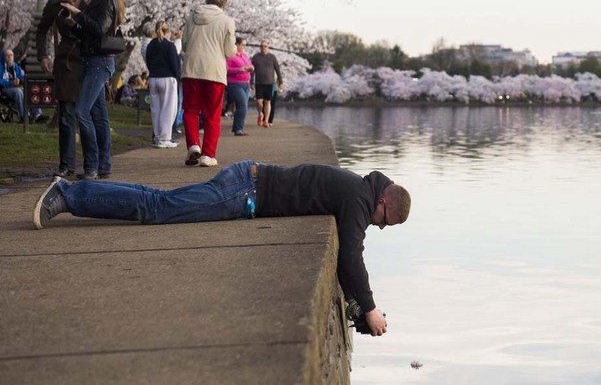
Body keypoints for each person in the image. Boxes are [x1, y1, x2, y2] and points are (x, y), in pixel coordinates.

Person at [33, 160, 411, 336]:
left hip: (247, 184)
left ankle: (72, 193)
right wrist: (372, 309)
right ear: (383, 204)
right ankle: (67, 194)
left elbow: (349, 261)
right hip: (244, 192)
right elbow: (350, 255)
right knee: (156, 207)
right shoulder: (359, 200)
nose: (379, 227)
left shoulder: (359, 191)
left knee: (157, 203)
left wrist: (358, 306)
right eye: (385, 222)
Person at [60, 0, 125, 180]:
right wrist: (74, 24)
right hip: (91, 61)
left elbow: (99, 30)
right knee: (98, 115)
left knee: (82, 112)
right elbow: (89, 32)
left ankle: (92, 167)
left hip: (100, 63)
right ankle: (103, 166)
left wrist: (77, 13)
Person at [36, 0, 92, 177]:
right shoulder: (55, 2)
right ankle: (66, 164)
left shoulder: (91, 0)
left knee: (88, 114)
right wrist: (43, 56)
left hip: (89, 57)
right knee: (67, 115)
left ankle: (92, 164)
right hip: (66, 61)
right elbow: (42, 31)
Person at [180, 0, 235, 167]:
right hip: (214, 72)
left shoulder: (191, 18)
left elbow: (185, 45)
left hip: (191, 69)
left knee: (190, 110)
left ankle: (194, 145)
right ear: (223, 3)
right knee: (212, 114)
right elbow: (229, 51)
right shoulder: (227, 21)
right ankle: (208, 155)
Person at [145, 20, 181, 149]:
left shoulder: (150, 45)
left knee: (156, 110)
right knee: (168, 109)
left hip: (154, 78)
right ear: (168, 32)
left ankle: (157, 136)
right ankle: (165, 138)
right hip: (167, 78)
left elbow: (147, 61)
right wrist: (176, 75)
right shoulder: (169, 46)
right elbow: (175, 64)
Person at [0, 49, 46, 123]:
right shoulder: (1, 66)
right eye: (7, 56)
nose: (9, 57)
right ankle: (23, 116)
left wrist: (20, 80)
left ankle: (38, 115)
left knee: (31, 89)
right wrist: (10, 83)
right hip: (5, 89)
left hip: (16, 87)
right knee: (18, 92)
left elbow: (22, 76)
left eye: (11, 55)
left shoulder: (14, 65)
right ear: (3, 57)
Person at [251, 40, 282, 129]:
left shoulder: (272, 57)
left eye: (265, 46)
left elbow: (277, 70)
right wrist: (251, 82)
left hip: (270, 83)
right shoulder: (256, 57)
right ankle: (260, 113)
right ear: (260, 47)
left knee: (268, 102)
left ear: (268, 47)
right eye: (262, 46)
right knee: (259, 102)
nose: (263, 48)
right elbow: (252, 71)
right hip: (259, 83)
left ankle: (266, 120)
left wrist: (281, 82)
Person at [225, 37, 253, 136]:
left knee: (243, 106)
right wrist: (239, 69)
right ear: (236, 45)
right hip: (234, 84)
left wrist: (250, 68)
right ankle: (238, 129)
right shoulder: (230, 56)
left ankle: (238, 128)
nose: (244, 47)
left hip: (246, 83)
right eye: (243, 45)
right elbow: (226, 70)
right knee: (242, 105)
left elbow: (251, 65)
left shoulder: (244, 56)